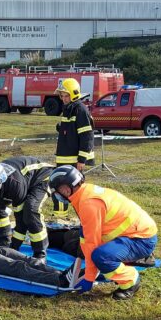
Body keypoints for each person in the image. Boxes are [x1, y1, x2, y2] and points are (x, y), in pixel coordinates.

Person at [48, 166, 158, 300]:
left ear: (66, 188)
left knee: (101, 257)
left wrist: (89, 278)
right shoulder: (85, 192)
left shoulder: (88, 204)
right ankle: (118, 261)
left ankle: (130, 281)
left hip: (141, 239)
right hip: (134, 233)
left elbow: (91, 243)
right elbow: (86, 238)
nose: (58, 194)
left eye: (58, 190)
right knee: (86, 246)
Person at [0, 156, 53, 261]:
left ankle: (40, 254)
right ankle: (2, 243)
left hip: (41, 177)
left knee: (30, 211)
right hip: (20, 180)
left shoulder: (15, 184)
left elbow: (21, 222)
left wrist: (14, 248)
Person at [53, 78, 95, 217]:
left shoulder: (80, 109)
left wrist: (81, 160)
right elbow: (71, 131)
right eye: (62, 96)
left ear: (74, 95)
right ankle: (59, 218)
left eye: (66, 96)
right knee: (59, 188)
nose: (64, 99)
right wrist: (62, 128)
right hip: (64, 158)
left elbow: (87, 136)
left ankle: (83, 217)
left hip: (74, 160)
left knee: (77, 191)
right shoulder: (69, 108)